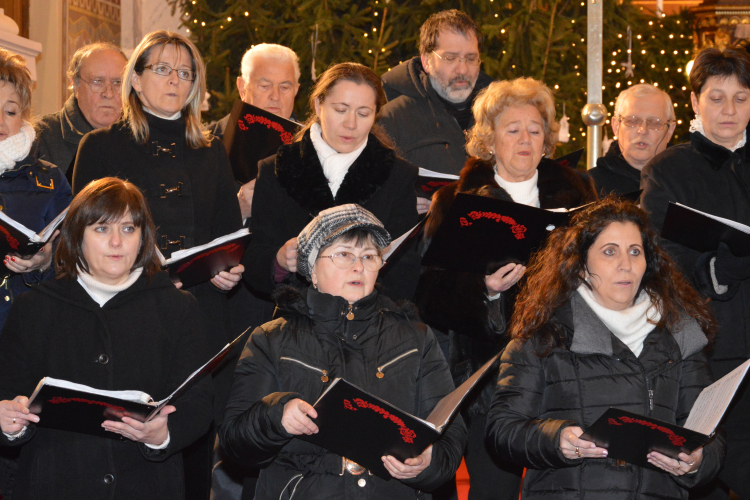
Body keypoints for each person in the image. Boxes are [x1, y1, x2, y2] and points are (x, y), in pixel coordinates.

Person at [71, 30, 243, 500]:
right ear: (137, 79)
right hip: (123, 318)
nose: (175, 80)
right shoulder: (101, 146)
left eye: (185, 72)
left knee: (188, 452)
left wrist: (228, 269)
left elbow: (228, 234)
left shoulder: (210, 151)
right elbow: (79, 236)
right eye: (163, 69)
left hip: (197, 319)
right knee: (119, 449)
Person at [414, 77, 597, 500]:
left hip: (563, 371)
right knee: (494, 489)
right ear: (489, 139)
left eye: (535, 130)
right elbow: (428, 298)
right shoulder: (456, 201)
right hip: (488, 378)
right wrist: (484, 290)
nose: (526, 139)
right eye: (512, 129)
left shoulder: (577, 195)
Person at [220, 204, 466, 499]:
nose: (358, 267)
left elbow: (449, 432)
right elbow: (235, 442)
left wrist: (427, 462)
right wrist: (277, 415)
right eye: (344, 254)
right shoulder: (272, 338)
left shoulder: (416, 338)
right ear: (312, 268)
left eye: (369, 256)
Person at [485, 197, 725, 500]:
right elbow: (502, 430)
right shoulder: (543, 334)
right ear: (581, 265)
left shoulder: (682, 333)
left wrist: (697, 462)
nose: (625, 264)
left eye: (635, 252)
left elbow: (710, 435)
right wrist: (557, 439)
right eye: (609, 251)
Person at [0, 177, 214, 500]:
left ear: (143, 238)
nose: (117, 242)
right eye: (102, 229)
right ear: (76, 237)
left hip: (148, 485)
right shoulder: (34, 308)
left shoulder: (177, 307)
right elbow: (9, 395)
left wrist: (163, 435)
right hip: (55, 484)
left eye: (129, 229)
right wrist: (8, 422)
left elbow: (198, 403)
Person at [641, 47, 750, 500]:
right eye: (717, 97)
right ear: (694, 102)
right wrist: (714, 269)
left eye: (742, 98)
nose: (729, 110)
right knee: (711, 469)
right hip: (711, 349)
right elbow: (659, 258)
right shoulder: (668, 169)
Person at [243, 62, 420, 303]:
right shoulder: (277, 168)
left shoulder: (396, 174)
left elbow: (405, 271)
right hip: (297, 324)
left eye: (363, 113)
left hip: (368, 327)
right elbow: (254, 262)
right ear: (318, 105)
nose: (351, 124)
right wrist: (280, 261)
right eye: (340, 109)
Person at [0, 47, 71, 500]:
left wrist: (45, 261)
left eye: (9, 109)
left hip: (25, 331)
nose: (0, 119)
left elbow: (76, 263)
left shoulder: (50, 179)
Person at [379, 9, 492, 214]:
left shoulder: (497, 115)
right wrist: (400, 206)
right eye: (451, 58)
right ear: (426, 61)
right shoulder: (391, 119)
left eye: (470, 58)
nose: (463, 70)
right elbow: (370, 196)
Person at [208, 43, 301, 221]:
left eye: (285, 87)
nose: (275, 96)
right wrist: (238, 210)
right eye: (264, 86)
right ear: (242, 87)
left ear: (296, 90)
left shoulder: (313, 145)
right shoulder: (205, 144)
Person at [35, 43, 128, 177]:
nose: (108, 93)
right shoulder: (41, 137)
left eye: (118, 82)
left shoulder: (139, 136)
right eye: (97, 81)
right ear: (75, 85)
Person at [588, 84, 676, 196]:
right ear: (616, 127)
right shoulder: (590, 188)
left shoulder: (688, 182)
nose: (643, 130)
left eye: (654, 123)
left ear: (670, 131)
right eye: (632, 121)